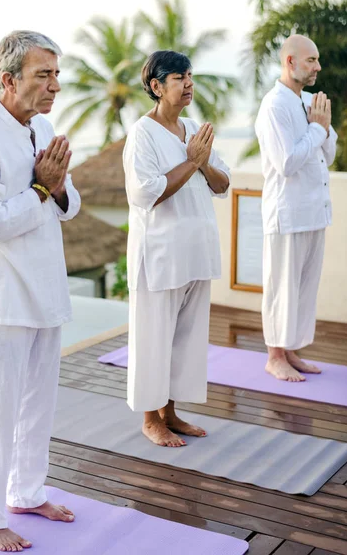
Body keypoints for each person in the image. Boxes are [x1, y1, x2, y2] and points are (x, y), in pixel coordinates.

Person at [0, 30, 81, 551]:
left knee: (37, 406)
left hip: (45, 288)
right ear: (8, 79)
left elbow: (66, 205)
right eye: (42, 75)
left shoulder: (43, 125)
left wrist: (58, 186)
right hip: (0, 298)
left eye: (56, 75)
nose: (55, 86)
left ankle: (26, 492)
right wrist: (42, 188)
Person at [123, 50, 230, 448]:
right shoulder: (142, 134)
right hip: (160, 256)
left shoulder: (193, 129)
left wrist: (201, 162)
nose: (188, 83)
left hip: (196, 252)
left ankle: (170, 412)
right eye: (178, 78)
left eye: (190, 75)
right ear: (156, 86)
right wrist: (192, 163)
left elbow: (222, 184)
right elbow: (144, 193)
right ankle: (151, 419)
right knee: (154, 338)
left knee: (184, 340)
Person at [255, 34, 337, 382]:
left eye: (317, 60)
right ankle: (275, 356)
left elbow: (327, 156)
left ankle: (291, 351)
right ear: (290, 62)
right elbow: (286, 162)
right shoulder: (274, 105)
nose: (317, 66)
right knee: (282, 287)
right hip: (287, 212)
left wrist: (324, 128)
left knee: (303, 288)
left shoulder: (308, 102)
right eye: (310, 60)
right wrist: (318, 132)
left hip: (314, 209)